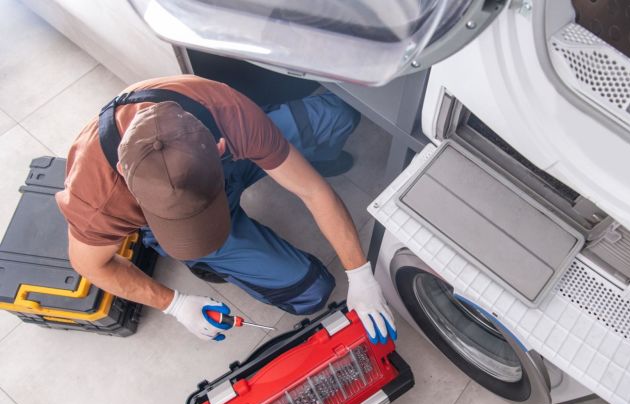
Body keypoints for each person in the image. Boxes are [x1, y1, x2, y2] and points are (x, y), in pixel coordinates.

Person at [56, 75, 396, 343]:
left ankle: (298, 161)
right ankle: (203, 257)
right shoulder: (97, 198)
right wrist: (174, 304)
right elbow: (90, 266)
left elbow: (312, 190)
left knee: (337, 114)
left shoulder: (226, 113)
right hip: (192, 180)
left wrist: (360, 275)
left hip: (229, 160)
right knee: (311, 292)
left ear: (219, 147)